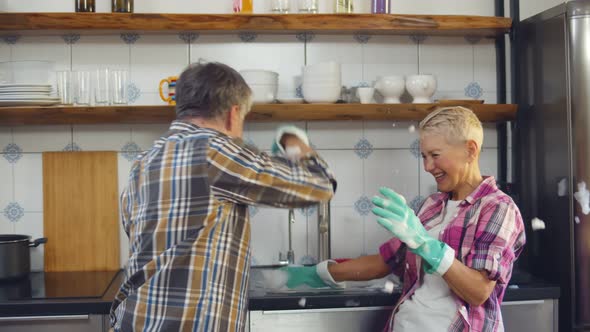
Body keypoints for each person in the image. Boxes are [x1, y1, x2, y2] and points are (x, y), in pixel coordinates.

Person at [110, 61, 336, 332]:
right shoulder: (214, 149)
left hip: (132, 322)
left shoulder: (142, 164)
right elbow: (320, 186)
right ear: (233, 113)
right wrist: (294, 142)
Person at [285, 106, 526, 331]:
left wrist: (427, 245)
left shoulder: (498, 208)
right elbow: (385, 262)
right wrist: (317, 273)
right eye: (423, 156)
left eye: (435, 154)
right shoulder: (432, 206)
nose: (428, 166)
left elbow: (478, 291)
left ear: (470, 150)